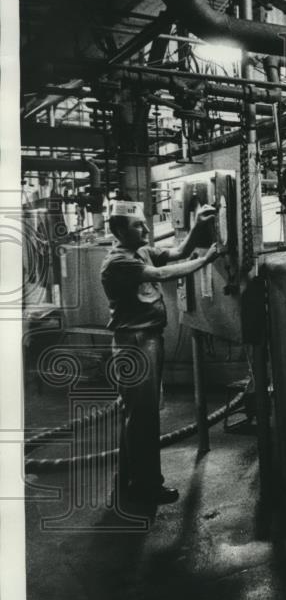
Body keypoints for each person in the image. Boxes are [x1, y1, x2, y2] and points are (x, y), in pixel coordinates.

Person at [100, 200, 219, 507]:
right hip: (135, 343)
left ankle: (130, 480)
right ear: (118, 230)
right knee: (144, 418)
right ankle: (147, 487)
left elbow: (178, 253)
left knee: (138, 416)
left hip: (146, 340)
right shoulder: (118, 261)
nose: (147, 228)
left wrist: (196, 227)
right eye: (139, 225)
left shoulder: (140, 250)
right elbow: (163, 274)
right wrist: (207, 260)